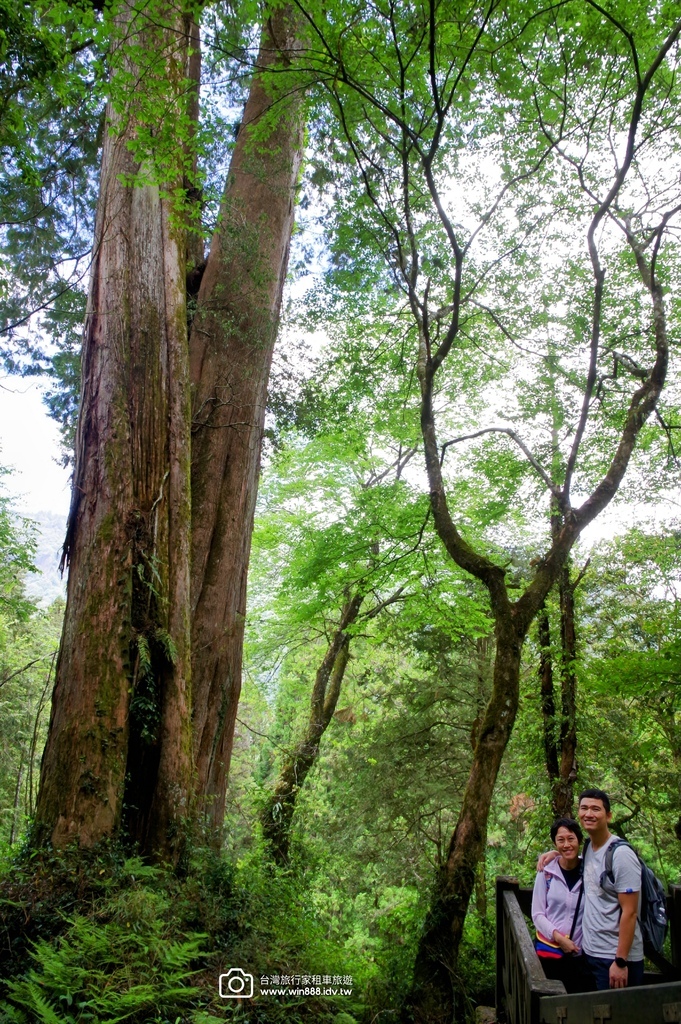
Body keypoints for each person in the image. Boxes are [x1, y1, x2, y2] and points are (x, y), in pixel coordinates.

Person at [538, 788, 644, 991]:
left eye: (596, 809)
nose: (589, 813)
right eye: (584, 808)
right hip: (590, 953)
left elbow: (630, 912)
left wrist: (621, 962)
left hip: (615, 958)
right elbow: (571, 858)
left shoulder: (621, 855)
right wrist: (555, 853)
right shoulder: (589, 848)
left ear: (609, 815)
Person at [532, 817, 594, 993]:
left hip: (581, 955)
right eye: (561, 840)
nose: (566, 844)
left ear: (579, 840)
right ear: (554, 842)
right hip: (551, 953)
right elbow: (537, 914)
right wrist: (559, 938)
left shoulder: (589, 871)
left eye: (571, 839)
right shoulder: (546, 872)